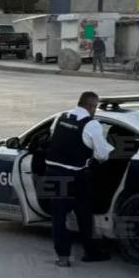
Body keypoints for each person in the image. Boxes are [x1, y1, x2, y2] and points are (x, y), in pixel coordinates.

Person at [44, 91, 113, 267]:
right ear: (91, 106)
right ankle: (90, 252)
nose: (95, 110)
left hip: (53, 173)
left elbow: (54, 139)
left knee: (58, 217)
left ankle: (63, 257)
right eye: (95, 107)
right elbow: (102, 155)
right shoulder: (92, 125)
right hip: (76, 176)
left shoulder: (60, 117)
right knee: (84, 214)